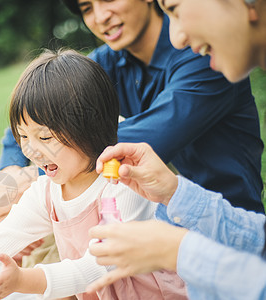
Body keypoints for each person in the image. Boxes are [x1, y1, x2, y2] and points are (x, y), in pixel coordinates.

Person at [0, 49, 187, 300]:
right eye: (23, 137)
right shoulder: (46, 192)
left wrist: (24, 280)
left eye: (45, 137)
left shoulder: (119, 182)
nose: (32, 151)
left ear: (90, 128)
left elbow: (101, 266)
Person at [0, 0, 265, 213]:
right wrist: (8, 174)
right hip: (156, 213)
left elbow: (148, 139)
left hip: (225, 221)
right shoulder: (108, 62)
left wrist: (32, 175)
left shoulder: (206, 53)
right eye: (87, 8)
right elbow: (32, 119)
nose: (100, 17)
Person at [86, 0, 266, 298]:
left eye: (175, 8)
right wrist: (174, 192)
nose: (177, 37)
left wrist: (179, 251)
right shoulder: (110, 61)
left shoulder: (201, 62)